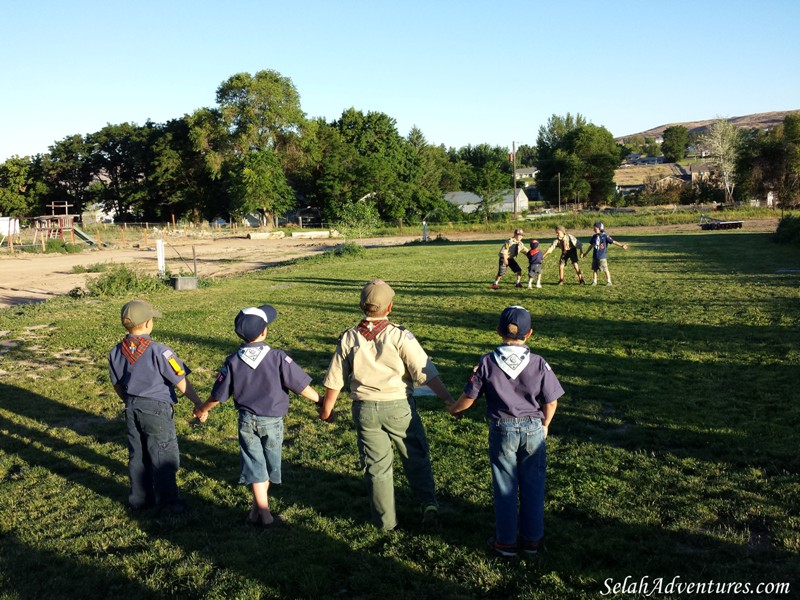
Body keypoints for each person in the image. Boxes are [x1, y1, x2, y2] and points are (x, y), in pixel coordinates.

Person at [320, 279, 455, 530]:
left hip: (365, 410)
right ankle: (428, 504)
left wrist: (327, 409)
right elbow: (425, 372)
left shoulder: (349, 337)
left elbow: (335, 378)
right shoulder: (399, 335)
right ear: (390, 307)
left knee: (376, 467)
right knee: (416, 455)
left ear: (361, 305)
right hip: (399, 407)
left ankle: (385, 522)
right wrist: (448, 400)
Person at [447, 306, 563, 557]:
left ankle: (506, 542)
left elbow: (469, 396)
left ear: (498, 330)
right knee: (533, 485)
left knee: (504, 486)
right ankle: (531, 540)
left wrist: (454, 409)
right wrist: (545, 425)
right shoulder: (539, 363)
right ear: (529, 333)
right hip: (533, 429)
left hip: (502, 429)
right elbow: (551, 401)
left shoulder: (487, 361)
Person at [194, 304, 321, 526]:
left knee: (255, 465)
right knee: (267, 467)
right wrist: (320, 401)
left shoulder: (232, 361)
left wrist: (203, 409)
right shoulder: (278, 357)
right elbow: (300, 386)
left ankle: (254, 511)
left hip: (246, 422)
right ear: (264, 332)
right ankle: (265, 514)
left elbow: (218, 394)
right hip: (272, 422)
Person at [109, 299, 203, 514]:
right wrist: (197, 402)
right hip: (156, 409)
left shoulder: (115, 352)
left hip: (131, 406)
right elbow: (180, 380)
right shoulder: (159, 351)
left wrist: (128, 400)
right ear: (148, 323)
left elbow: (116, 383)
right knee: (163, 453)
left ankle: (140, 500)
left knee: (138, 454)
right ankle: (169, 504)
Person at [581, 221, 629, 286]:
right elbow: (591, 246)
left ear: (600, 228)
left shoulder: (605, 236)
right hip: (595, 256)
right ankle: (594, 281)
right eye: (594, 229)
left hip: (602, 257)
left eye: (595, 229)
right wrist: (585, 253)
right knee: (595, 269)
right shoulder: (594, 236)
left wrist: (622, 245)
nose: (594, 230)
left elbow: (613, 242)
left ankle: (609, 281)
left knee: (605, 269)